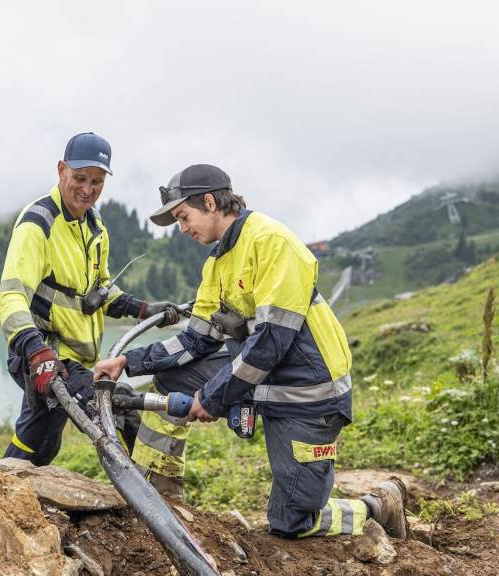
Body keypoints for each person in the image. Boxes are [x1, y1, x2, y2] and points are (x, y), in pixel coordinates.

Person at [94, 164, 408, 539]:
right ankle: (159, 496)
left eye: (183, 216)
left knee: (292, 523)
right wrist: (129, 362)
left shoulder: (272, 242)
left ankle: (377, 507)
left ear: (209, 202)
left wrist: (213, 397)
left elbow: (271, 341)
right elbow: (195, 339)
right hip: (261, 379)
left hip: (308, 393)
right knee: (172, 376)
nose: (182, 228)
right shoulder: (217, 262)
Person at [0, 132, 179, 466]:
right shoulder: (38, 224)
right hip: (45, 355)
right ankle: (149, 487)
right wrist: (36, 353)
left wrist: (143, 309)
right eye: (80, 178)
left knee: (38, 440)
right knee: (117, 408)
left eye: (97, 182)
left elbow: (100, 290)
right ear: (61, 169)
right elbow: (11, 296)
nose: (87, 189)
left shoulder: (95, 226)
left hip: (75, 358)